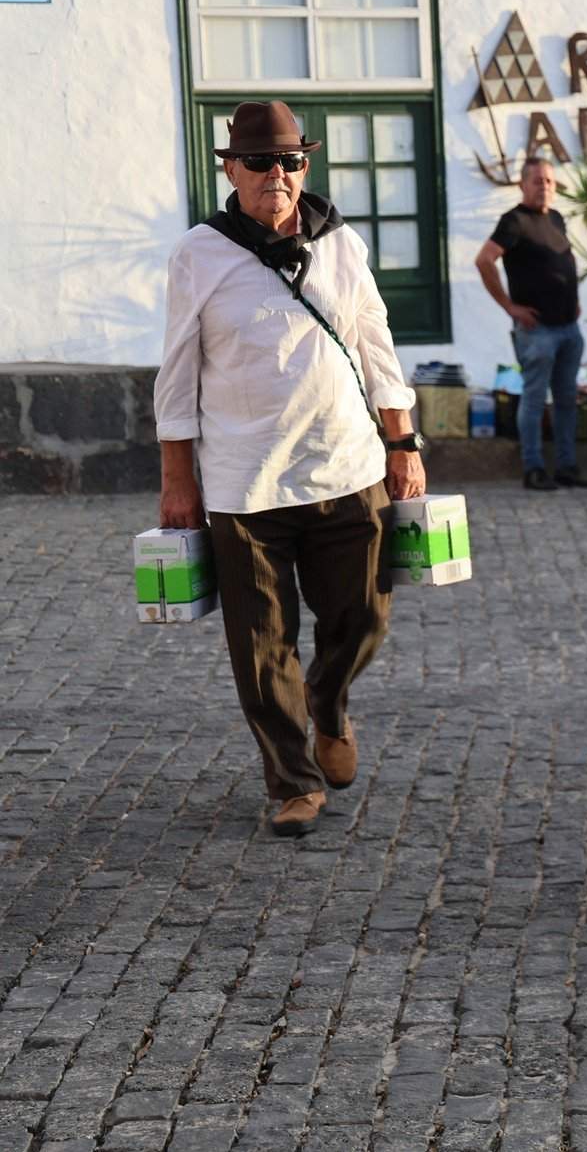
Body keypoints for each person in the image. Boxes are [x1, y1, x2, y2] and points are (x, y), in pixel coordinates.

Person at [156, 99, 426, 838]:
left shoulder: (340, 242)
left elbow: (375, 340)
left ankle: (329, 700)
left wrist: (402, 443)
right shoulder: (199, 253)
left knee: (365, 614)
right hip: (244, 479)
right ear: (230, 169)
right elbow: (176, 374)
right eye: (260, 162)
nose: (277, 174)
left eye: (290, 161)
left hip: (347, 464)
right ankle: (293, 778)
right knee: (259, 641)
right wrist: (178, 478)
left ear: (305, 165)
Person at [476, 158, 587, 492]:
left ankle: (567, 467)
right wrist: (509, 307)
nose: (545, 187)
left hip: (568, 328)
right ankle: (534, 469)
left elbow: (562, 261)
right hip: (537, 330)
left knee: (567, 399)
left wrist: (573, 299)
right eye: (538, 181)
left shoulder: (556, 218)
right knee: (534, 399)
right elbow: (484, 260)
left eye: (550, 181)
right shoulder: (513, 221)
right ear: (523, 185)